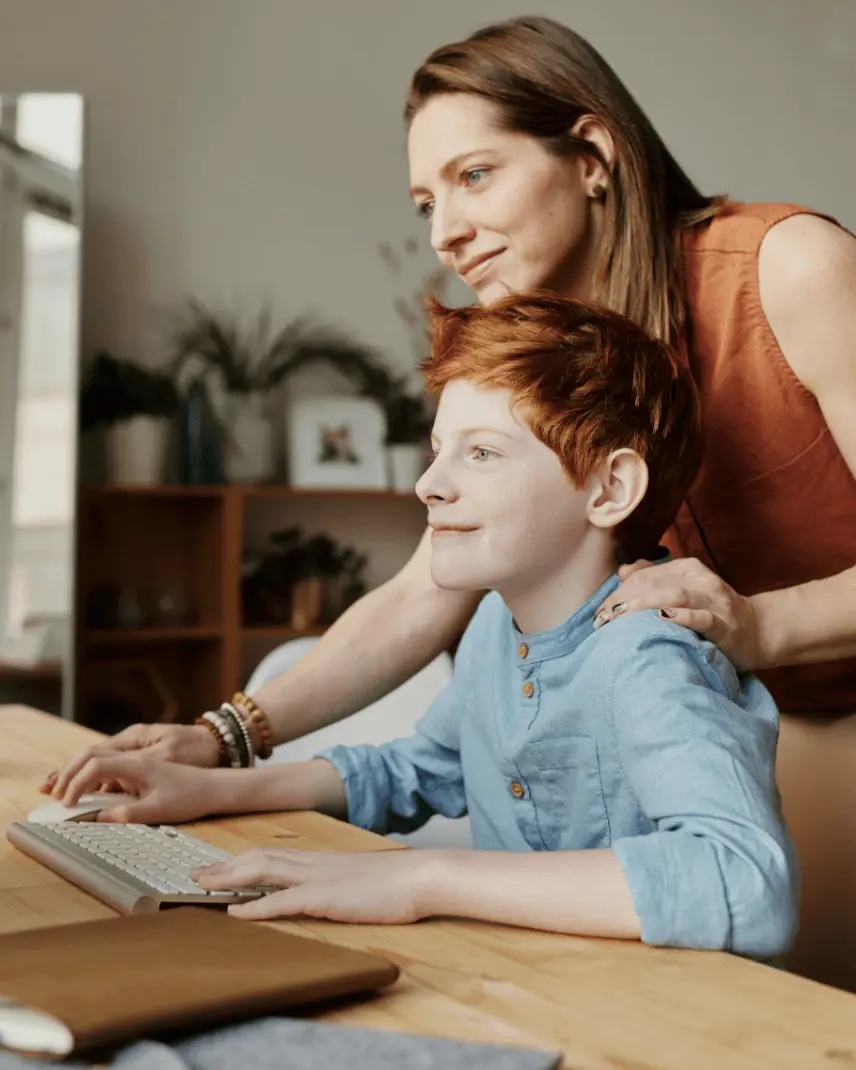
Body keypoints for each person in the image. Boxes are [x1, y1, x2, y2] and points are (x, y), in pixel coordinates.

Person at [46, 16, 856, 986]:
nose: (444, 231)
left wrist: (761, 625)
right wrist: (221, 739)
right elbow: (422, 591)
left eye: (474, 176)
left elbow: (734, 878)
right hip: (734, 688)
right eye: (426, 199)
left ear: (592, 155)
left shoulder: (787, 266)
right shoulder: (540, 350)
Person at [58, 295, 799, 958]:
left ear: (610, 489)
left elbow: (746, 881)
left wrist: (425, 878)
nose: (429, 482)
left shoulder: (650, 655)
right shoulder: (491, 630)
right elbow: (420, 770)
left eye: (480, 453)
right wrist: (211, 788)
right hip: (527, 986)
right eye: (438, 448)